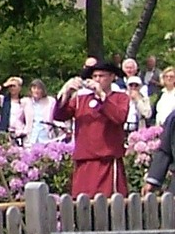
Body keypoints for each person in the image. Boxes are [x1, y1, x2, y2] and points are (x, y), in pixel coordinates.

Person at [55, 62, 131, 196]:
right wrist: (66, 92)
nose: (97, 79)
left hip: (107, 160)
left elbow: (119, 117)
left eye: (101, 76)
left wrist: (102, 96)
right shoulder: (80, 99)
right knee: (82, 202)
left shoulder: (120, 97)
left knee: (109, 203)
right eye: (94, 76)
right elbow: (59, 115)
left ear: (112, 77)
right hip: (84, 160)